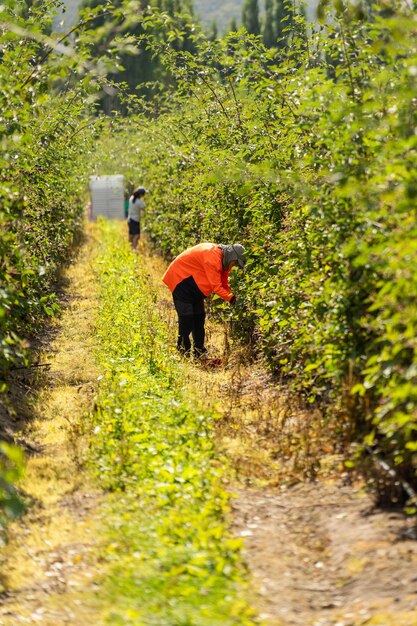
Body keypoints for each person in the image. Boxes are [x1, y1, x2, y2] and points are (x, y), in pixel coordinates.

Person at [162, 243, 246, 358]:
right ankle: (183, 352)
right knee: (187, 320)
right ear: (232, 256)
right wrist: (233, 299)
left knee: (199, 318)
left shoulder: (224, 261)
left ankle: (199, 352)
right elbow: (216, 287)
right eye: (236, 262)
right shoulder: (212, 258)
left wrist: (233, 296)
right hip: (181, 281)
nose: (235, 265)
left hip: (193, 286)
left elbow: (224, 283)